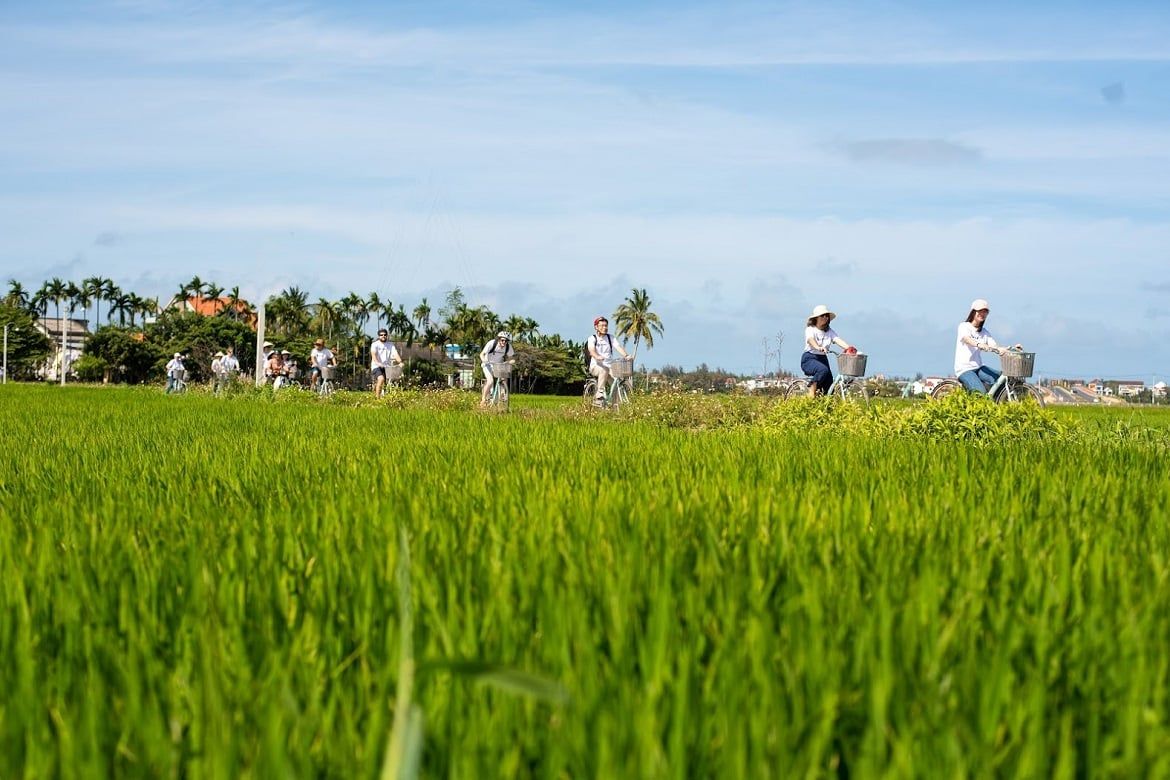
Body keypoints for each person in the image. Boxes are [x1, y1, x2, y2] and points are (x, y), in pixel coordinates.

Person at [954, 298, 1022, 394]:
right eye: (980, 311)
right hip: (965, 369)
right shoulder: (964, 326)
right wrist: (979, 344)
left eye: (985, 312)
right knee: (980, 392)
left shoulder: (984, 332)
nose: (982, 314)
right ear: (973, 312)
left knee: (1000, 378)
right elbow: (966, 339)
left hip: (979, 367)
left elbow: (994, 345)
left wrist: (1008, 348)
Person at [801, 305, 855, 397]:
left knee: (829, 383)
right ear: (816, 318)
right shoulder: (810, 329)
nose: (825, 317)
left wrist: (849, 348)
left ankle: (825, 406)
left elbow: (837, 340)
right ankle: (812, 387)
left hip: (822, 359)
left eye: (827, 316)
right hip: (810, 358)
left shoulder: (829, 331)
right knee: (823, 370)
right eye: (822, 316)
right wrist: (818, 347)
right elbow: (810, 340)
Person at [586, 316, 630, 405]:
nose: (605, 328)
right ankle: (599, 394)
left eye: (606, 326)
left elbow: (618, 347)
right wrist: (597, 356)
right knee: (604, 369)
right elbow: (591, 350)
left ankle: (615, 408)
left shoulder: (611, 338)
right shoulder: (592, 338)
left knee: (617, 383)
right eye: (602, 326)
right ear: (596, 327)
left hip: (610, 366)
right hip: (596, 366)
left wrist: (626, 355)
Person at [479, 331, 516, 407]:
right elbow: (482, 354)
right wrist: (484, 360)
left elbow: (512, 358)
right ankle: (483, 399)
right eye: (502, 340)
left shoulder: (508, 346)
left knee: (504, 376)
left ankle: (503, 392)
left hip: (498, 365)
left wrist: (509, 362)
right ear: (499, 339)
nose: (504, 342)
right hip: (487, 364)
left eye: (506, 341)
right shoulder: (492, 343)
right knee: (490, 381)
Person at [370, 328, 403, 396]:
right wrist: (377, 363)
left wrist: (400, 362)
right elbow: (373, 355)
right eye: (381, 335)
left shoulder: (390, 345)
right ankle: (377, 398)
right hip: (376, 366)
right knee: (381, 379)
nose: (383, 336)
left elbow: (395, 354)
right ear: (379, 336)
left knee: (385, 384)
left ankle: (382, 396)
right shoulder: (375, 344)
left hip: (386, 367)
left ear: (387, 335)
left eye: (385, 335)